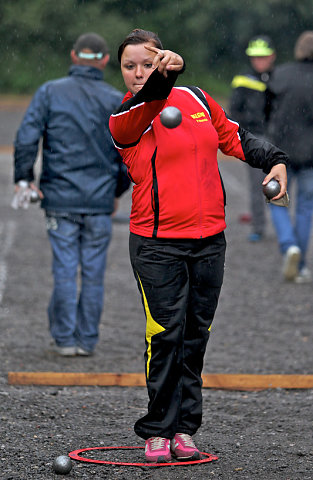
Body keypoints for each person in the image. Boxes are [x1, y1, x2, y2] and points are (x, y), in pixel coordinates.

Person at [109, 28, 288, 463]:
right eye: (129, 65)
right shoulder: (126, 116)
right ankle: (157, 430)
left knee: (195, 336)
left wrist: (276, 160)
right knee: (165, 335)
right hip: (156, 246)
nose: (137, 72)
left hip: (209, 241)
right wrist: (165, 76)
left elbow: (237, 138)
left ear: (159, 59)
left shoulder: (199, 101)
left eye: (146, 63)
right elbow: (150, 100)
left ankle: (185, 429)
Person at [13, 32, 130, 356]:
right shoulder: (113, 99)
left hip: (60, 199)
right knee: (93, 274)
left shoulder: (50, 92)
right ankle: (87, 339)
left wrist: (24, 178)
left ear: (74, 56)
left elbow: (26, 137)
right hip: (99, 200)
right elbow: (126, 152)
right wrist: (116, 190)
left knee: (65, 269)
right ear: (106, 61)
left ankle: (65, 339)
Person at [267, 31, 313, 283]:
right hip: (310, 156)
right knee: (306, 208)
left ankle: (289, 245)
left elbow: (267, 110)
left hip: (281, 153)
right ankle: (302, 265)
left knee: (277, 200)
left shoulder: (280, 74)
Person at [230, 35, 276, 242]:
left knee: (282, 183)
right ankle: (259, 226)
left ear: (272, 56)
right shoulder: (242, 79)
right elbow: (234, 111)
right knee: (257, 185)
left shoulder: (280, 78)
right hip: (254, 138)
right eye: (255, 57)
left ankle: (283, 226)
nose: (259, 61)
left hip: (279, 137)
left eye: (263, 57)